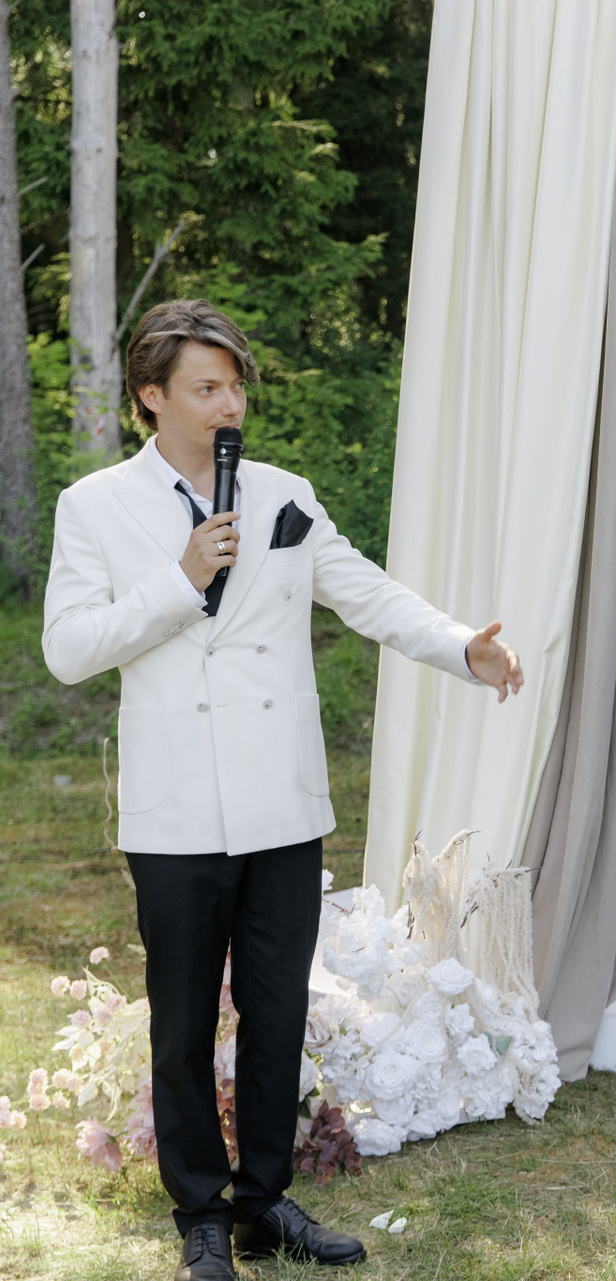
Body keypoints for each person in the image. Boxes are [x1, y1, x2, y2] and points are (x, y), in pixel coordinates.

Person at [42, 300, 525, 1281]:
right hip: (174, 811)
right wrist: (180, 579)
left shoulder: (283, 494)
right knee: (182, 1025)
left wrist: (459, 647)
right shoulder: (94, 507)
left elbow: (367, 593)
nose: (230, 404)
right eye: (206, 387)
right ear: (152, 395)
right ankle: (201, 1216)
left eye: (235, 386)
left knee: (275, 1013)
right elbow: (68, 649)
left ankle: (264, 1201)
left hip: (281, 801)